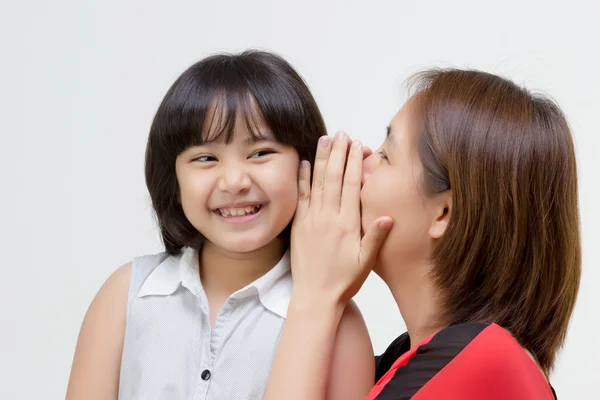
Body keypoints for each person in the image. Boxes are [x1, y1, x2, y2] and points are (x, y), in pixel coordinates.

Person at [66, 51, 375, 400]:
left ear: (307, 165)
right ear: (173, 180)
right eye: (205, 158)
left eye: (261, 152)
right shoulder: (127, 294)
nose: (233, 181)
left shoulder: (338, 324)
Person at [266, 69, 581, 400]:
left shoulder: (483, 360)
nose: (363, 160)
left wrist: (315, 297)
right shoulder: (424, 361)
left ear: (443, 214)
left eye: (387, 156)